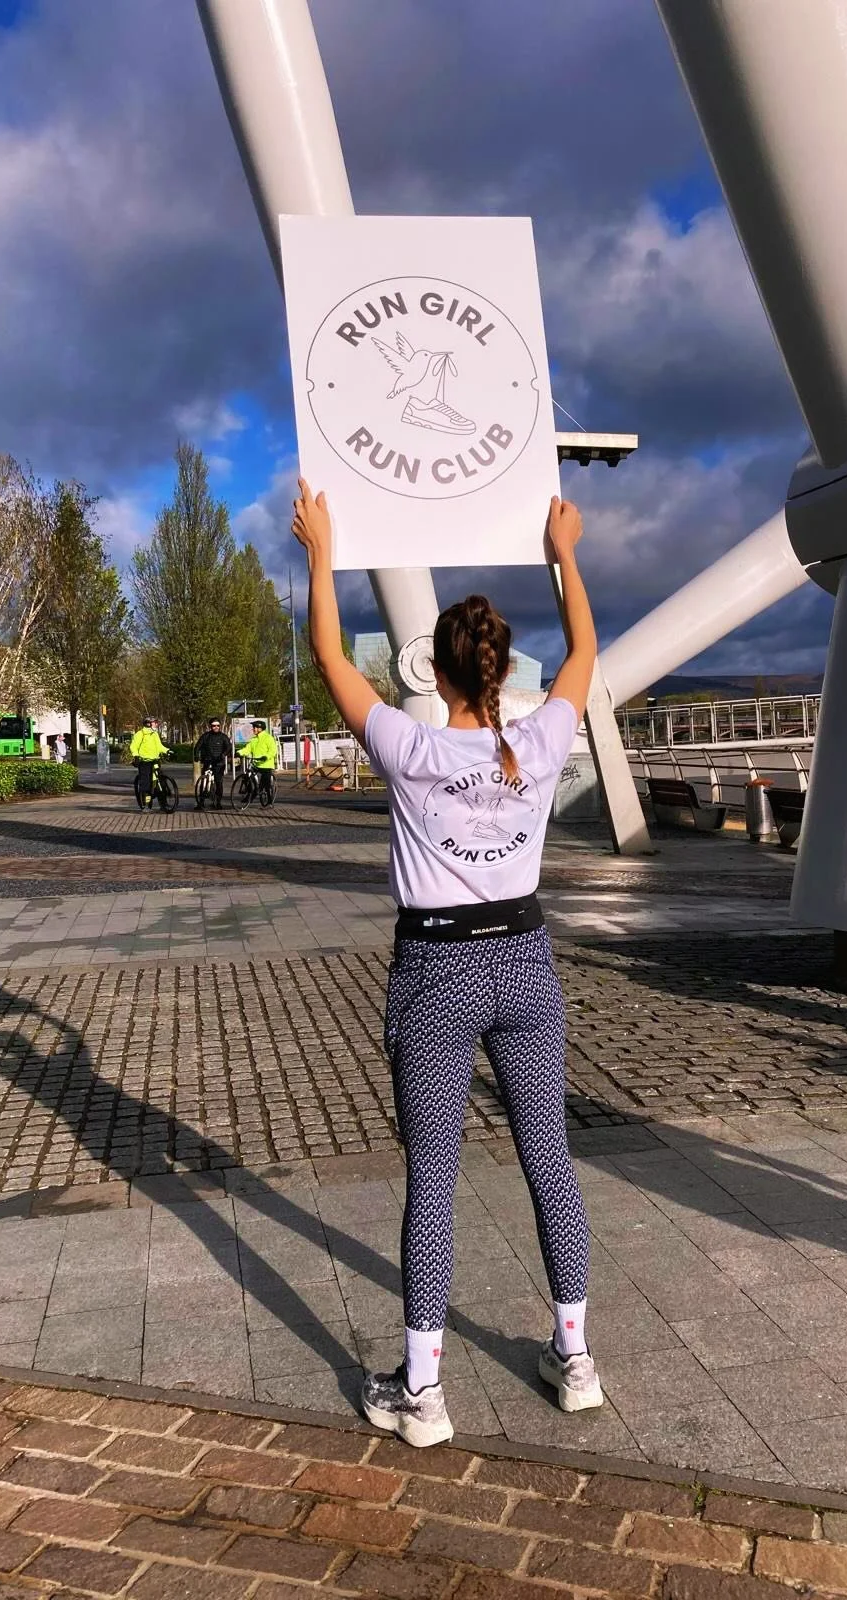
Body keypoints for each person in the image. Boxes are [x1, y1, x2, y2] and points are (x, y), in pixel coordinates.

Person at [290, 475, 600, 1449]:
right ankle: (575, 1358)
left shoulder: (406, 748)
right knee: (548, 1155)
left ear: (440, 675)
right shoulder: (540, 742)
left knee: (434, 1176)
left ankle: (422, 1391)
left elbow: (331, 655)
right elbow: (587, 651)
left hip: (437, 974)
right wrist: (565, 553)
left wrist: (320, 548)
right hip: (527, 959)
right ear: (502, 676)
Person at [129, 716, 169, 807]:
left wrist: (167, 750)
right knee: (145, 783)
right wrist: (136, 756)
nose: (156, 724)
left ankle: (163, 803)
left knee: (161, 781)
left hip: (155, 761)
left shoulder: (154, 734)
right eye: (155, 722)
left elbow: (159, 746)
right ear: (148, 724)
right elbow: (133, 746)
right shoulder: (140, 734)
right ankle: (146, 805)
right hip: (144, 762)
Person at [194, 717, 231, 810]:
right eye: (214, 726)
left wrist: (224, 754)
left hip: (219, 763)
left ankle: (218, 802)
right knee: (203, 782)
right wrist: (196, 755)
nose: (216, 727)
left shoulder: (223, 737)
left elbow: (228, 747)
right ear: (211, 726)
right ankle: (201, 802)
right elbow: (198, 746)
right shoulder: (205, 736)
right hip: (207, 761)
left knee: (219, 782)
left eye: (218, 725)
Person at [239, 720, 279, 804]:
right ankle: (251, 793)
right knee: (247, 777)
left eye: (255, 727)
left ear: (260, 728)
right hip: (256, 763)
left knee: (265, 784)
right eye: (253, 727)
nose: (253, 729)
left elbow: (273, 750)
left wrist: (266, 757)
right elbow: (247, 749)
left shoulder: (268, 738)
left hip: (266, 764)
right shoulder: (253, 740)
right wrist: (239, 752)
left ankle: (269, 801)